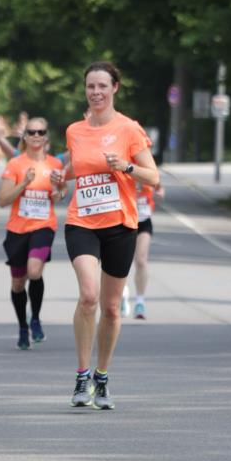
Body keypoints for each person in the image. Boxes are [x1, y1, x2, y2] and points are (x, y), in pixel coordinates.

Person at [51, 62, 159, 410]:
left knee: (112, 309)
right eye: (90, 86)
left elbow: (153, 177)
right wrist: (61, 179)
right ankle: (81, 375)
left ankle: (102, 376)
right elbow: (77, 167)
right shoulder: (74, 131)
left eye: (101, 86)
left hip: (120, 225)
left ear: (115, 88)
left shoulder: (129, 130)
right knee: (88, 296)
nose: (95, 92)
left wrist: (125, 167)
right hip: (82, 221)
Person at [0, 118, 64, 349]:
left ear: (46, 137)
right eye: (31, 132)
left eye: (41, 132)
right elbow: (3, 200)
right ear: (25, 136)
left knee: (34, 271)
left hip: (43, 226)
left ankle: (35, 318)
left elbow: (59, 195)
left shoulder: (55, 164)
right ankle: (22, 327)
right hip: (17, 229)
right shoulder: (15, 164)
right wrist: (23, 184)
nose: (36, 135)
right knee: (18, 283)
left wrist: (58, 191)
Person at [120, 180, 164, 320]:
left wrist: (159, 194)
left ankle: (140, 302)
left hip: (143, 221)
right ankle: (122, 295)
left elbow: (159, 188)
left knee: (140, 260)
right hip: (124, 222)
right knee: (121, 262)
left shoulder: (148, 168)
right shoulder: (122, 166)